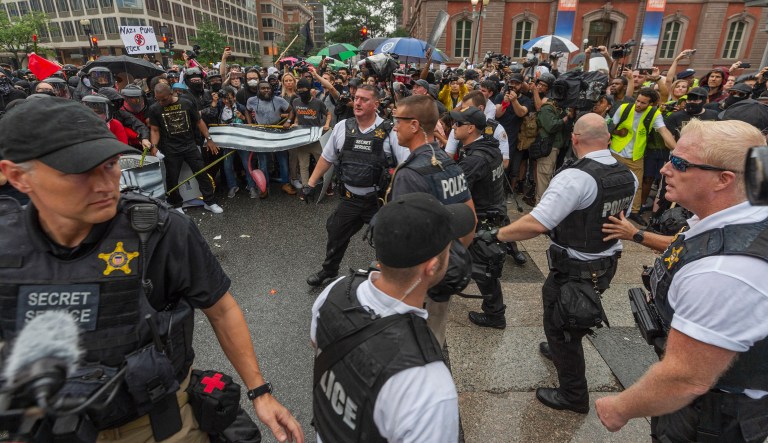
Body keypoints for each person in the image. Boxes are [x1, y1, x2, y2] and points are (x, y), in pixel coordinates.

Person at [0, 97, 303, 443]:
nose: (104, 184)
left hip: (156, 425)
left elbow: (221, 310)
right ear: (18, 176)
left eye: (110, 164)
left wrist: (259, 392)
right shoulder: (7, 247)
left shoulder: (161, 230)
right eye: (78, 172)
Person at [595, 119, 768, 442]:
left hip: (711, 418)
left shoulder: (723, 270)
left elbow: (685, 379)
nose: (664, 169)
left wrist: (620, 407)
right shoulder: (739, 214)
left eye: (680, 162)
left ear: (723, 180)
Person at [480, 114, 636, 413]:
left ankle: (573, 395)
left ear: (575, 139)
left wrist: (496, 234)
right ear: (608, 139)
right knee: (567, 315)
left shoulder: (576, 177)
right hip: (605, 262)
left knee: (561, 326)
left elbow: (537, 223)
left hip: (576, 267)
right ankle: (558, 349)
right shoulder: (627, 174)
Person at [311, 192, 469, 442]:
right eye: (449, 246)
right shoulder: (429, 387)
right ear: (431, 267)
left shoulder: (336, 291)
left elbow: (318, 342)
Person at [387, 95, 474, 346]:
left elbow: (403, 237)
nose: (394, 127)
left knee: (410, 345)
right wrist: (448, 260)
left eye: (398, 121)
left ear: (414, 125)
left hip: (417, 282)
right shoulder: (449, 161)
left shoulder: (411, 172)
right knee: (435, 339)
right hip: (444, 271)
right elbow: (470, 220)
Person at [303, 85, 407, 287]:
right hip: (350, 199)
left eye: (364, 99)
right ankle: (329, 270)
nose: (357, 102)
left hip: (379, 202)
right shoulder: (343, 127)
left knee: (386, 240)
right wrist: (310, 183)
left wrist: (394, 207)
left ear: (376, 104)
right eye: (356, 98)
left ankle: (388, 279)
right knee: (335, 231)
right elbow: (327, 157)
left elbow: (405, 167)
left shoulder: (389, 131)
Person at [451, 106, 509, 329]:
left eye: (458, 124)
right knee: (481, 266)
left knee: (484, 271)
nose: (454, 127)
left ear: (470, 128)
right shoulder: (490, 148)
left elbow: (456, 190)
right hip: (492, 212)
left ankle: (495, 315)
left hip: (480, 219)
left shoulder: (474, 159)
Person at [147, 83, 224, 214]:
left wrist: (209, 139)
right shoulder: (155, 109)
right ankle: (176, 204)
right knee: (172, 178)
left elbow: (199, 122)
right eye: (157, 99)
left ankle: (210, 201)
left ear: (171, 93)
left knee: (202, 173)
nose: (161, 102)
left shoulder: (186, 103)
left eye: (164, 99)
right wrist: (153, 146)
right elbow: (154, 130)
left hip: (189, 145)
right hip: (169, 149)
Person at [610, 87, 676, 223]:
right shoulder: (624, 108)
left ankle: (634, 212)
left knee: (637, 185)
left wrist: (676, 150)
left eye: (643, 103)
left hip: (636, 155)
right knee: (612, 183)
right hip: (616, 152)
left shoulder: (654, 114)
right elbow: (610, 127)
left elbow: (664, 131)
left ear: (651, 104)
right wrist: (617, 133)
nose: (638, 105)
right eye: (637, 101)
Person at [246, 80, 294, 198]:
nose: (266, 90)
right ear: (258, 90)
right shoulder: (251, 100)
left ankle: (285, 184)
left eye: (268, 88)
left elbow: (292, 110)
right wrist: (250, 123)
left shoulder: (279, 100)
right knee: (263, 162)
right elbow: (247, 110)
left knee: (282, 159)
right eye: (263, 88)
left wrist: (288, 121)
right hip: (261, 133)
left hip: (277, 132)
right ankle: (264, 187)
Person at [290, 78, 329, 197]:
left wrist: (327, 124)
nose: (302, 92)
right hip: (302, 139)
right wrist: (295, 123)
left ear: (309, 89)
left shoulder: (318, 102)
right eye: (299, 90)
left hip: (316, 139)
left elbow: (328, 114)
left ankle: (327, 186)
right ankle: (305, 189)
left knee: (321, 164)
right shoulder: (296, 101)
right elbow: (296, 114)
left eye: (304, 89)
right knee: (303, 165)